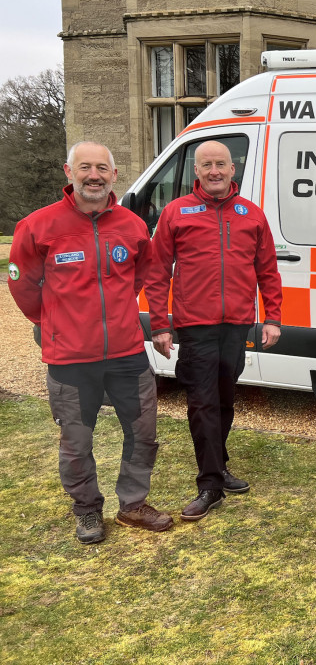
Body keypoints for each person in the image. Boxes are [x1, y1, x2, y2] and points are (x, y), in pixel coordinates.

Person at [7, 142, 173, 543]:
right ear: (69, 172)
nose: (93, 175)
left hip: (127, 354)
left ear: (114, 176)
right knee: (76, 441)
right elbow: (22, 283)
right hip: (70, 359)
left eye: (102, 167)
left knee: (144, 432)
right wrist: (52, 323)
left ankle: (133, 505)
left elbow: (142, 275)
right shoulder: (38, 226)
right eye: (85, 167)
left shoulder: (132, 225)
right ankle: (86, 510)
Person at [145, 140, 282, 521]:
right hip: (196, 326)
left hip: (236, 325)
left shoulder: (251, 214)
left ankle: (219, 465)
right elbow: (157, 273)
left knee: (224, 399)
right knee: (202, 402)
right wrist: (160, 324)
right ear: (197, 172)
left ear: (233, 169)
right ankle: (209, 485)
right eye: (206, 165)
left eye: (221, 164)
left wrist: (272, 317)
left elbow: (267, 269)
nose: (214, 171)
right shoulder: (176, 212)